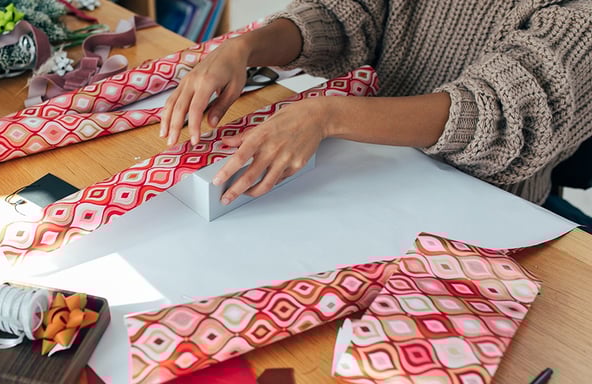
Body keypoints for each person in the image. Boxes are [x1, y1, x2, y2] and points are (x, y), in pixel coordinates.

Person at [160, 0, 592, 223]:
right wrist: (245, 47)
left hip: (483, 210)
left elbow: (495, 115)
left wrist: (326, 116)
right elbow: (342, 15)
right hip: (368, 171)